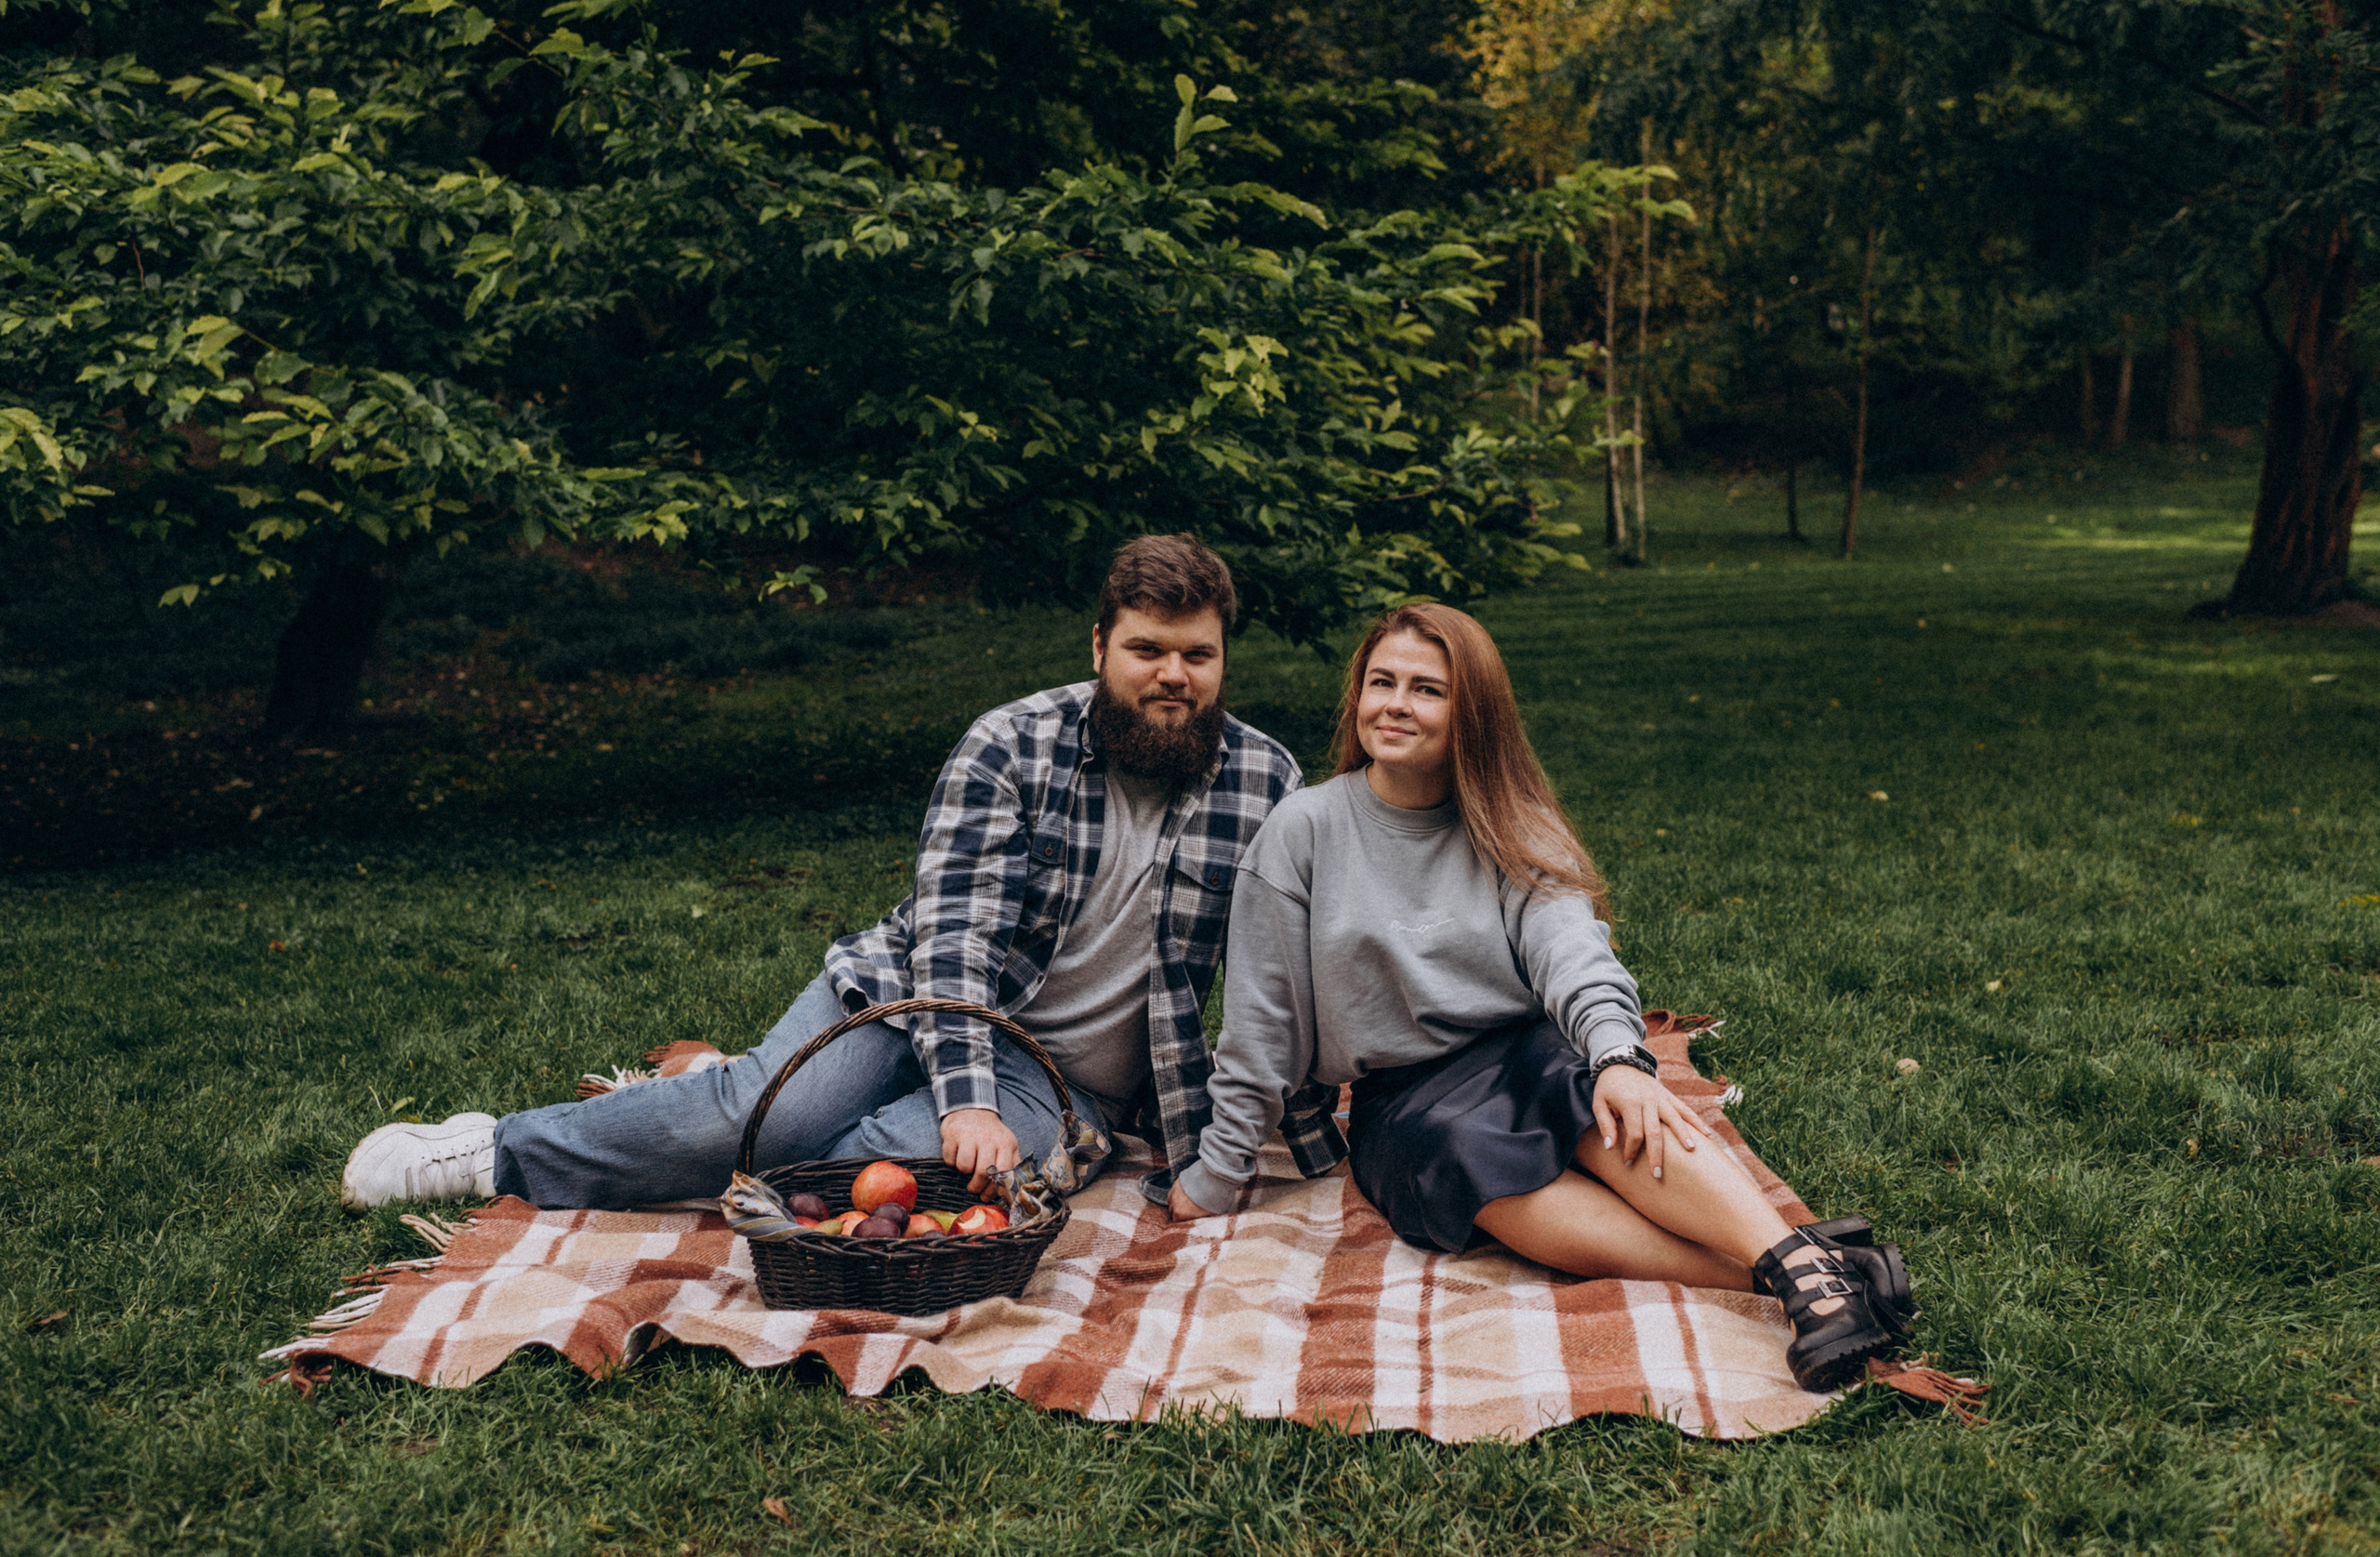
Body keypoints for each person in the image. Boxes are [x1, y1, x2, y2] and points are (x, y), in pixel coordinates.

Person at [340, 534, 1342, 1213]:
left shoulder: (1265, 781)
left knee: (856, 1179)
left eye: (1197, 655)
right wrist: (965, 1098)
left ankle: (708, 1097)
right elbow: (954, 937)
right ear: (1099, 646)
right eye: (1147, 649)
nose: (1173, 675)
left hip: (1063, 1075)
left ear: (1223, 657)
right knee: (756, 1121)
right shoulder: (1010, 744)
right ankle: (495, 1149)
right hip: (903, 996)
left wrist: (1312, 1135)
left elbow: (1288, 970)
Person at [1166, 602, 1910, 1392]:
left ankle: (1796, 1262)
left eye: (1427, 689)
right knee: (1466, 1160)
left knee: (1604, 1100)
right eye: (1382, 682)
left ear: (1471, 713)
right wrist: (1220, 1168)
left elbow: (1572, 950)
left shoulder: (1511, 822)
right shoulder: (1303, 830)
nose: (1395, 704)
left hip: (1530, 1046)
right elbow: (1263, 1024)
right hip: (1404, 1099)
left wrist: (1620, 1058)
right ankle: (1815, 1273)